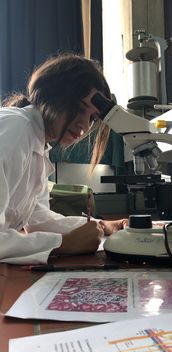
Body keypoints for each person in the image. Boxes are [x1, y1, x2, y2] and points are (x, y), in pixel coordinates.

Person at [0, 52, 128, 264]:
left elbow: (38, 219)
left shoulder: (38, 145)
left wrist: (102, 226)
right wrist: (62, 244)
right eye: (79, 110)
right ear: (53, 96)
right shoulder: (15, 130)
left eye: (92, 119)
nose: (84, 126)